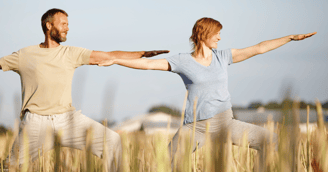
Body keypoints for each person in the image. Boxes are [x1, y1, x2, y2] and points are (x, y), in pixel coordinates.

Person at [98, 17, 316, 169]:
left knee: (272, 141)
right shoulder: (182, 61)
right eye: (217, 33)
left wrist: (289, 37)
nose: (220, 38)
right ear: (204, 33)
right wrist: (116, 60)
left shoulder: (223, 56)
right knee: (167, 163)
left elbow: (259, 48)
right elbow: (148, 65)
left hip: (226, 123)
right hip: (195, 127)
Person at [0, 8, 169, 171]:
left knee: (112, 141)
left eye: (68, 24)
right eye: (63, 24)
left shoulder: (71, 53)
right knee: (10, 167)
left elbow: (108, 55)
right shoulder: (25, 55)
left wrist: (142, 53)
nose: (67, 28)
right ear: (48, 25)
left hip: (68, 120)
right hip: (36, 124)